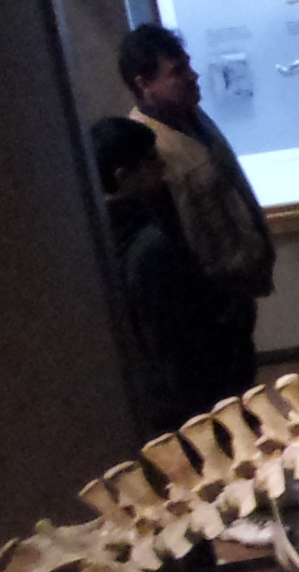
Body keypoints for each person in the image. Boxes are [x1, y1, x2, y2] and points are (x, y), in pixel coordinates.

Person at [118, 22, 271, 403]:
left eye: (188, 65)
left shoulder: (196, 119)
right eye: (177, 71)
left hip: (234, 299)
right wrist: (211, 302)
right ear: (143, 84)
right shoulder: (143, 148)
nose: (193, 76)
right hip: (203, 313)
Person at [90, 116, 231, 432]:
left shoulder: (94, 241)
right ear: (123, 176)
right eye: (151, 162)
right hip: (180, 405)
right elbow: (173, 341)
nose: (163, 169)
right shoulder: (151, 247)